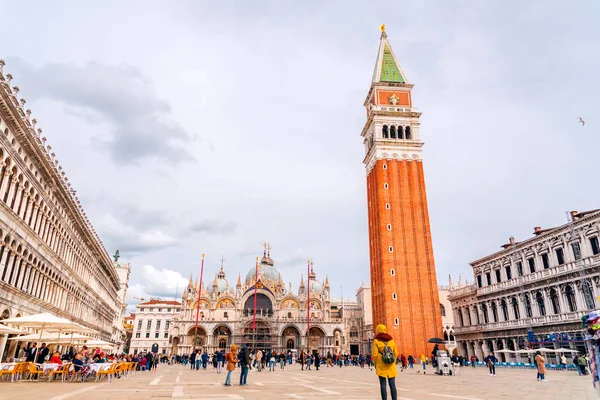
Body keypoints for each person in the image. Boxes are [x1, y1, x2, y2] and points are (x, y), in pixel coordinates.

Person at [372, 324, 398, 400]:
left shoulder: (376, 341)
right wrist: (393, 361)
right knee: (392, 385)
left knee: (383, 385)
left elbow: (375, 354)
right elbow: (396, 353)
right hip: (391, 365)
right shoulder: (391, 340)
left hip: (381, 364)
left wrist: (376, 364)